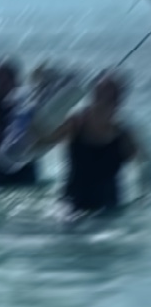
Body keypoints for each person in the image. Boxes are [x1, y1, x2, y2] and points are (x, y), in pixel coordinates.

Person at [38, 73, 143, 215]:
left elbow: (143, 168)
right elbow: (43, 142)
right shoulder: (75, 124)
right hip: (71, 205)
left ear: (118, 102)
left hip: (109, 208)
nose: (103, 102)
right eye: (99, 96)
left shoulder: (124, 135)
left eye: (109, 99)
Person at [0, 62, 39, 186]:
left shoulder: (31, 113)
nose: (2, 85)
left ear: (16, 82)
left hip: (25, 177)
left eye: (5, 81)